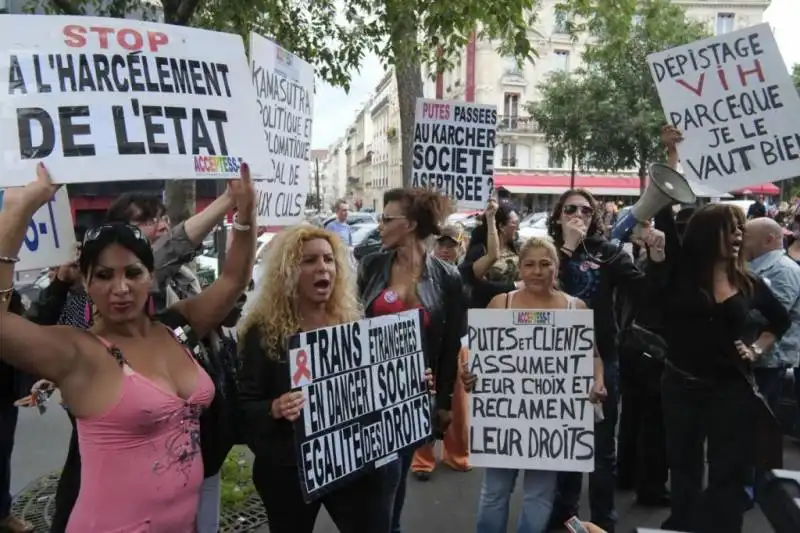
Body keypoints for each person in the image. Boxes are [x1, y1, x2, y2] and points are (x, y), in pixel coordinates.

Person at [0, 162, 256, 532]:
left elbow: (234, 278)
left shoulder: (175, 327)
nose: (120, 288)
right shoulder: (78, 353)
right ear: (86, 284)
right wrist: (21, 211)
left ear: (150, 276)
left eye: (132, 273)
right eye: (104, 276)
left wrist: (244, 212)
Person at [237, 224, 407, 533]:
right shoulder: (261, 333)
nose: (322, 268)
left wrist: (407, 383)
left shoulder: (352, 322)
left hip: (352, 461)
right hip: (290, 469)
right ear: (288, 271)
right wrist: (275, 408)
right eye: (309, 261)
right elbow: (245, 405)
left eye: (328, 259)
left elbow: (372, 391)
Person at [652, 202, 790, 533]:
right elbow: (662, 211)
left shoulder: (748, 282)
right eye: (731, 228)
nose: (739, 235)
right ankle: (684, 525)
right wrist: (673, 156)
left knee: (728, 474)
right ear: (707, 234)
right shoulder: (680, 271)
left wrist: (757, 348)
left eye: (741, 228)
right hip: (682, 387)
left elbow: (780, 321)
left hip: (730, 390)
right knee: (684, 470)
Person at [462, 237, 606, 533]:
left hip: (550, 424)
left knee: (539, 494)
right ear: (520, 269)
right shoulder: (500, 304)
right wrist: (470, 373)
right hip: (504, 422)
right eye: (529, 264)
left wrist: (598, 382)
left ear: (557, 268)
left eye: (545, 264)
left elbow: (593, 356)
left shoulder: (574, 309)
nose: (537, 271)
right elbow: (478, 356)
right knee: (494, 492)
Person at [546, 185, 665, 533]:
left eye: (584, 210)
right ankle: (564, 518)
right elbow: (539, 289)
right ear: (558, 216)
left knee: (601, 447)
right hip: (553, 361)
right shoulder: (547, 252)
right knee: (563, 444)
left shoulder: (609, 253)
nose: (578, 215)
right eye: (570, 209)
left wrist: (656, 260)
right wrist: (566, 248)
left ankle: (602, 521)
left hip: (604, 358)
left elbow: (645, 292)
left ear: (594, 216)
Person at [358, 188, 464, 533]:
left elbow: (449, 347)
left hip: (414, 396)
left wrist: (444, 402)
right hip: (366, 393)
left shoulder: (447, 277)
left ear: (411, 224)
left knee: (395, 480)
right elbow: (348, 322)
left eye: (388, 219)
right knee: (370, 482)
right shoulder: (371, 264)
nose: (380, 225)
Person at [410, 225, 470, 480]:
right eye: (441, 244)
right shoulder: (423, 273)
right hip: (430, 343)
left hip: (460, 342)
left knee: (458, 403)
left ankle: (457, 454)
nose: (445, 249)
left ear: (461, 247)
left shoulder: (467, 271)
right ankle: (422, 459)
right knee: (426, 397)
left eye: (452, 245)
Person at [741, 217, 800, 411]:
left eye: (745, 236)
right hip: (753, 358)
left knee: (758, 420)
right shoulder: (752, 265)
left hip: (769, 361)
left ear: (768, 240)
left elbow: (773, 316)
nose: (740, 240)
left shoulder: (784, 270)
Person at [0, 290, 34, 533]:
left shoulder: (9, 294)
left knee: (2, 452)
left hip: (4, 391)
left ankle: (3, 513)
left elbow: (27, 327)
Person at [459, 201, 521, 308]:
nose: (518, 228)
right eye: (515, 223)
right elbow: (480, 286)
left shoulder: (517, 249)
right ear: (501, 226)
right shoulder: (479, 251)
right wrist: (515, 286)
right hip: (486, 312)